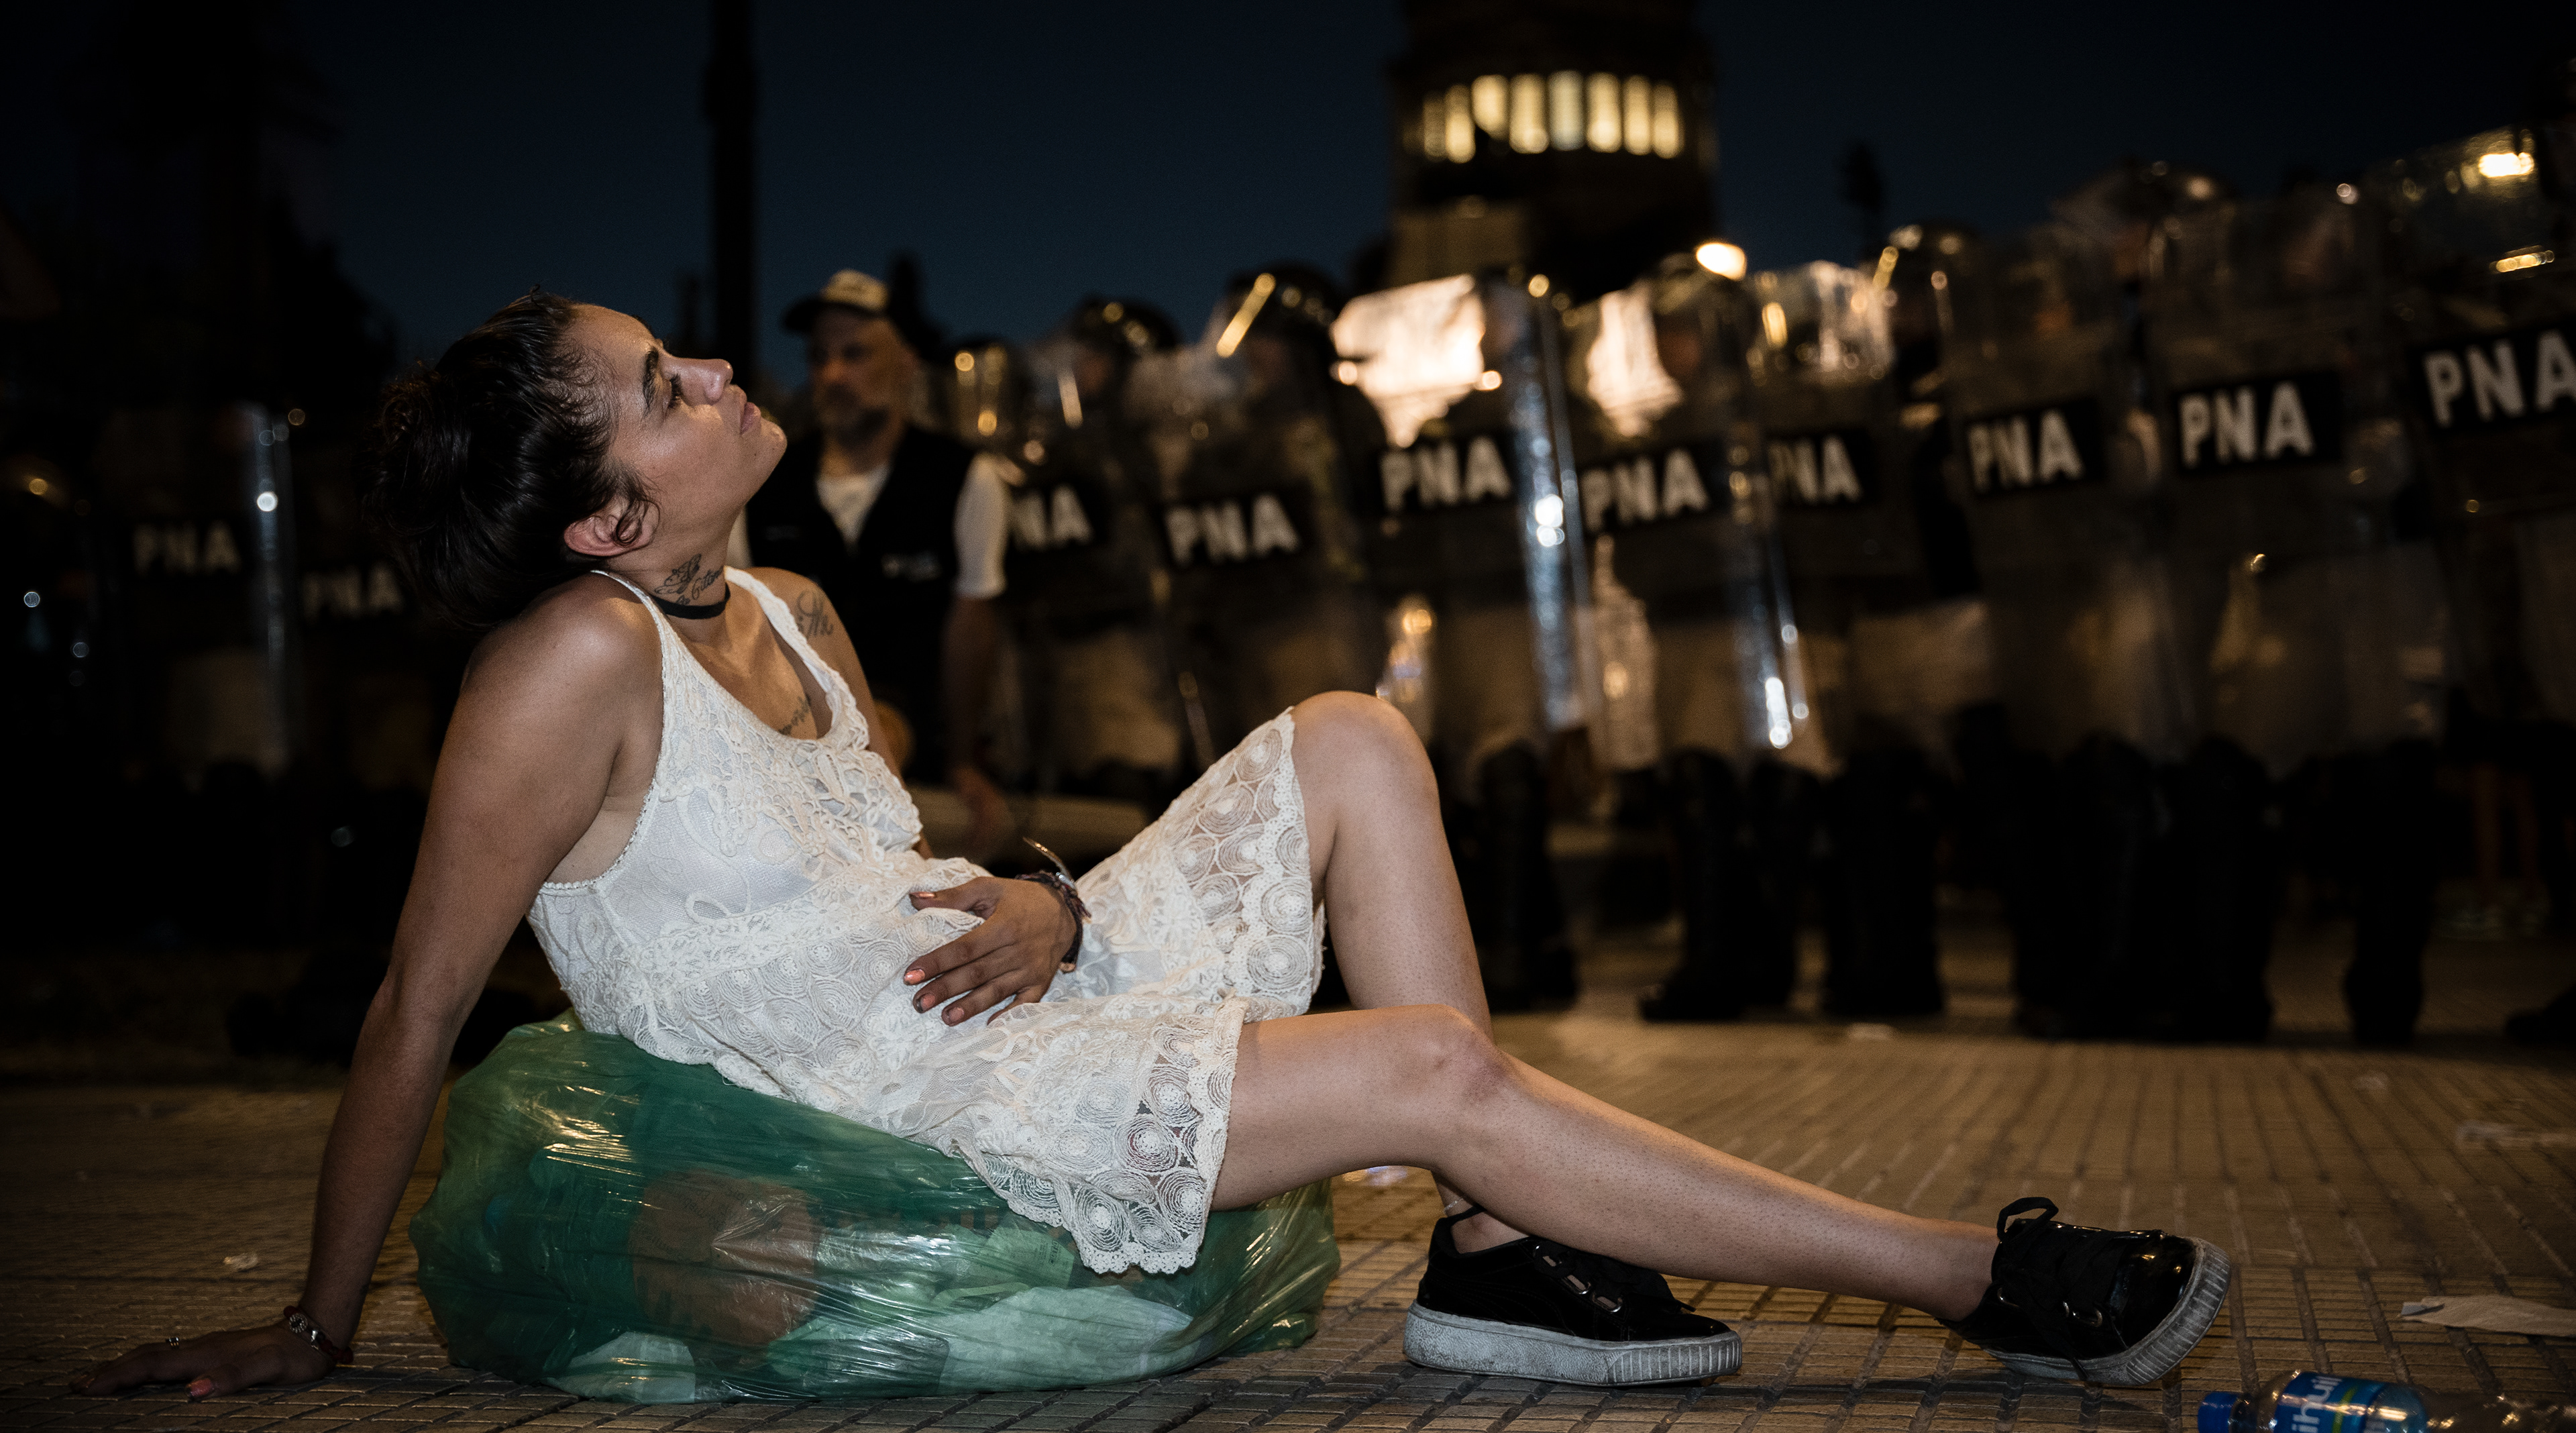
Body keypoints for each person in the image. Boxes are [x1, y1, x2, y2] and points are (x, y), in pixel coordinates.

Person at [76, 295, 2230, 1402]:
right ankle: (1975, 1279)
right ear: (608, 516)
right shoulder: (564, 665)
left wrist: (1050, 895)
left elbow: (894, 851)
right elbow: (415, 1005)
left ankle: (1503, 1254)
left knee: (1356, 735)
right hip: (897, 1101)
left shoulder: (795, 607)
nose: (717, 367)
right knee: (1432, 1067)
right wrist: (318, 1327)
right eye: (664, 382)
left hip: (987, 980)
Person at [733, 265, 1011, 855]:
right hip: (787, 724)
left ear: (907, 362)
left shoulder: (965, 477)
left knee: (876, 731)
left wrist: (963, 760)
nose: (833, 374)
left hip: (911, 727)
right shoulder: (762, 483)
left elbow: (971, 627)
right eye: (819, 357)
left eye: (856, 354)